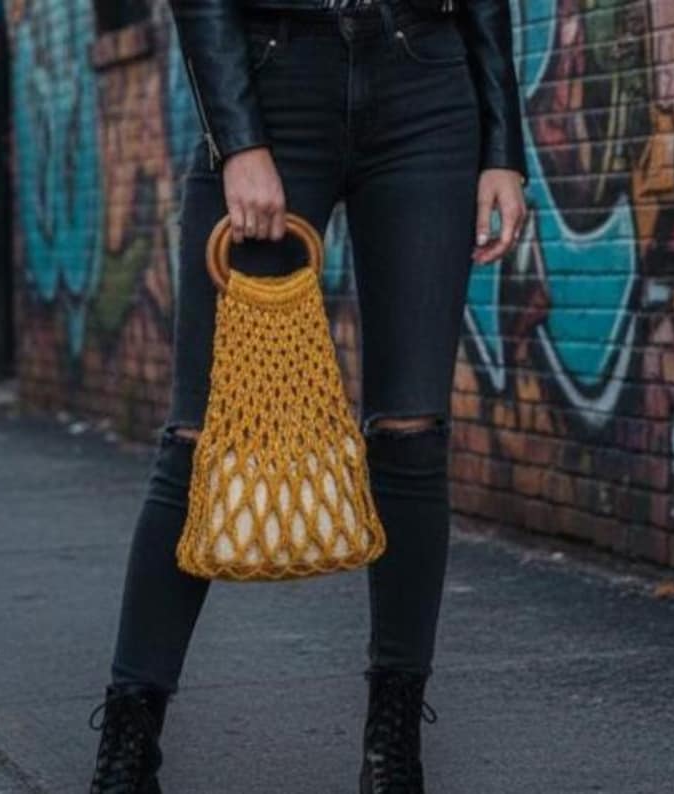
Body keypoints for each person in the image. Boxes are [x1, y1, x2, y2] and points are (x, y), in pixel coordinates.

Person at [86, 0, 528, 791]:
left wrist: (504, 147)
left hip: (426, 80)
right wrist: (238, 138)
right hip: (274, 78)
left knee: (412, 429)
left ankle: (393, 746)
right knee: (200, 433)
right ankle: (129, 736)